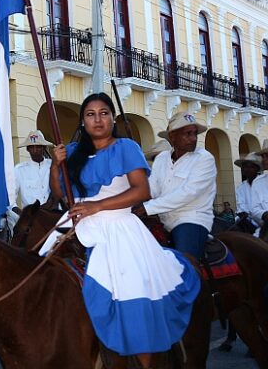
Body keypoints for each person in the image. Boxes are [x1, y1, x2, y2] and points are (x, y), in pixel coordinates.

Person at [43, 93, 199, 367]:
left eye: (104, 113)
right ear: (82, 122)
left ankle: (144, 361)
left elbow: (142, 190)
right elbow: (61, 195)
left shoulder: (125, 147)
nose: (97, 119)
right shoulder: (73, 152)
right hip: (75, 221)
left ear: (112, 118)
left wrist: (97, 206)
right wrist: (56, 165)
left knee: (132, 291)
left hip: (118, 224)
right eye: (90, 114)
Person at [136, 112, 217, 260]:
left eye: (195, 134)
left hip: (190, 219)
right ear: (172, 136)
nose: (193, 138)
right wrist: (134, 200)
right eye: (188, 134)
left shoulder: (205, 159)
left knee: (184, 265)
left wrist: (147, 208)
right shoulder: (161, 158)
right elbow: (152, 188)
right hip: (162, 219)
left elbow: (187, 193)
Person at [11, 130, 53, 211]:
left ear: (44, 147)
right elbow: (10, 196)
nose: (35, 150)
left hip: (53, 215)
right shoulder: (19, 170)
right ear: (27, 149)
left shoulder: (52, 166)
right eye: (31, 147)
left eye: (38, 146)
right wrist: (16, 210)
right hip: (30, 217)